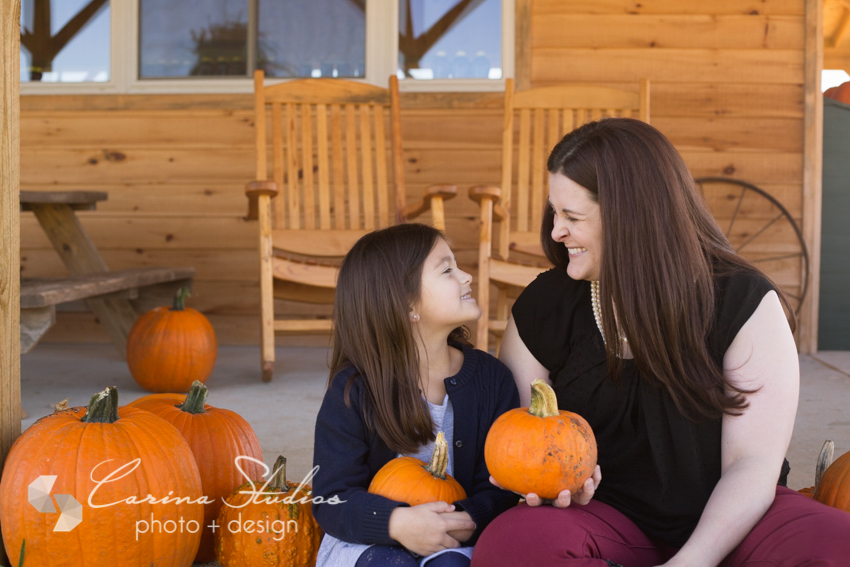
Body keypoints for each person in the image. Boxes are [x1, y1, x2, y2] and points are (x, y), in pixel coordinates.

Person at [471, 118, 850, 567]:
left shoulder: (742, 302)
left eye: (573, 217)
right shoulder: (547, 305)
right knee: (512, 546)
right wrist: (550, 485)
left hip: (736, 519)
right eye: (555, 212)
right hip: (603, 517)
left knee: (835, 542)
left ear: (633, 216)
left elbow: (753, 465)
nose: (556, 232)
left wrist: (693, 560)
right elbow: (523, 441)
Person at [312, 223, 521, 567]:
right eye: (448, 269)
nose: (467, 276)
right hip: (368, 541)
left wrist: (465, 518)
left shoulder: (492, 380)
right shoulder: (354, 390)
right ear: (407, 303)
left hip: (454, 539)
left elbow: (500, 487)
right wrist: (396, 523)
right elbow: (331, 498)